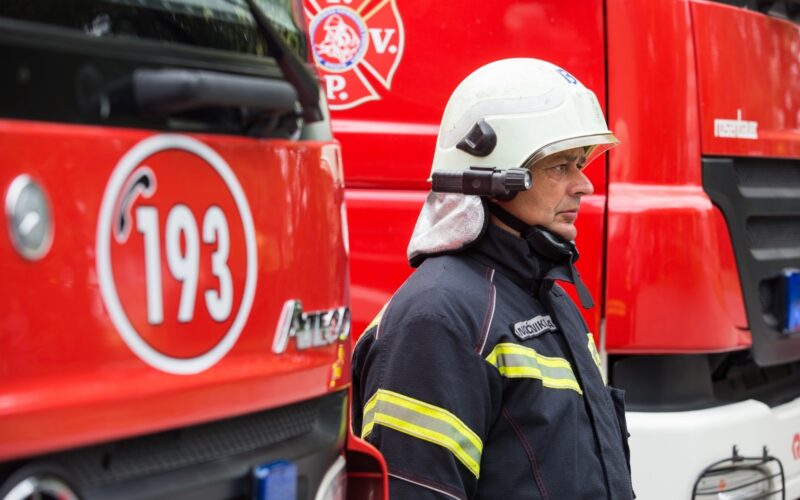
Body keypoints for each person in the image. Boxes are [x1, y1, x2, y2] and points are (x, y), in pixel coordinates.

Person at [351, 58, 634, 499]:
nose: (584, 185)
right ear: (495, 179)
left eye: (579, 164)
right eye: (560, 167)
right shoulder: (437, 320)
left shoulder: (545, 296)